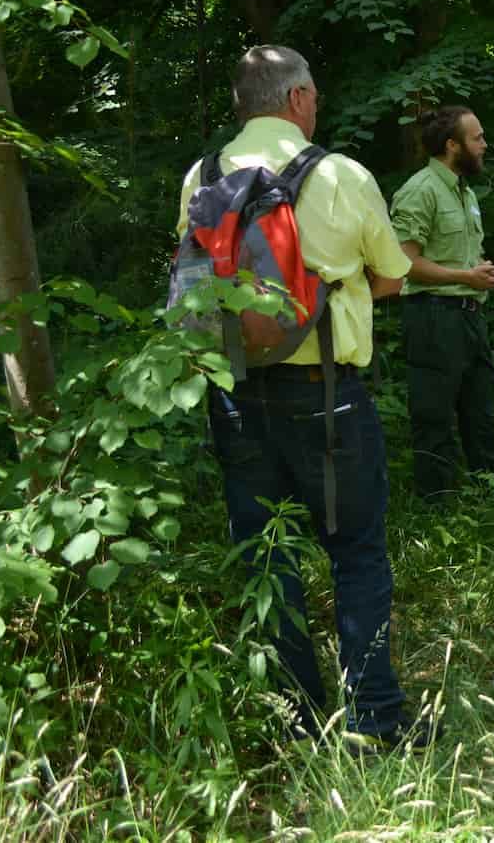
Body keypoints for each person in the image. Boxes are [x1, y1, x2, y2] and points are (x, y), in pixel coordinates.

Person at [178, 45, 419, 746]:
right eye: (312, 95)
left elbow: (194, 284)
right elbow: (394, 276)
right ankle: (374, 719)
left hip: (234, 397)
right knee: (357, 552)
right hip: (328, 397)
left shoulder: (200, 174)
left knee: (265, 558)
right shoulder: (340, 173)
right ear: (296, 99)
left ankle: (297, 719)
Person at [390, 106, 494, 502]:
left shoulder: (465, 191)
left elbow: (455, 257)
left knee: (480, 413)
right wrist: (464, 277)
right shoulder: (421, 190)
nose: (484, 145)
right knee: (434, 417)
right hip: (433, 317)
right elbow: (404, 263)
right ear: (452, 145)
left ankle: (491, 504)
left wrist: (479, 272)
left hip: (470, 315)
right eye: (477, 138)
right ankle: (437, 510)